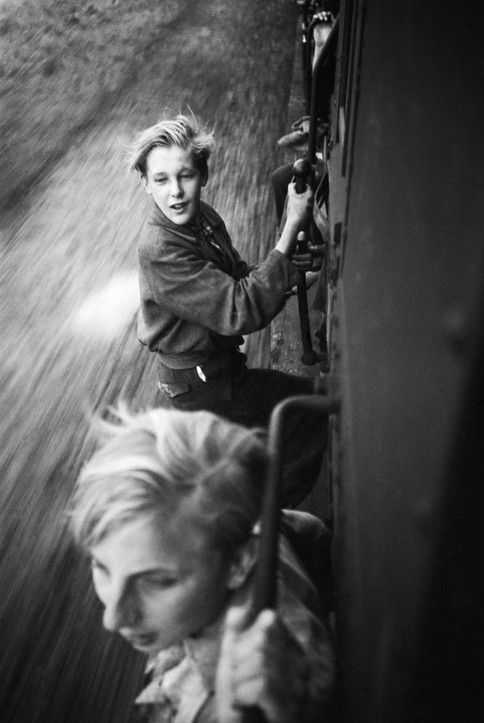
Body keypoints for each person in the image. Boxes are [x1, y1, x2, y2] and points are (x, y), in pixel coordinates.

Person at [70, 406, 334, 722]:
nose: (112, 619)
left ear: (239, 562)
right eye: (101, 567)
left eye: (158, 581)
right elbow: (301, 528)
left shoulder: (279, 679)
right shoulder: (234, 530)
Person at [129, 112, 327, 506]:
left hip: (222, 369)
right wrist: (290, 226)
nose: (176, 192)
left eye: (185, 175)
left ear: (203, 174)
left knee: (268, 442)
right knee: (304, 412)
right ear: (146, 184)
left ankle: (262, 513)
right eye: (161, 180)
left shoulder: (202, 217)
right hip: (203, 385)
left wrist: (290, 275)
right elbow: (240, 310)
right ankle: (271, 522)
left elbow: (237, 278)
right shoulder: (160, 248)